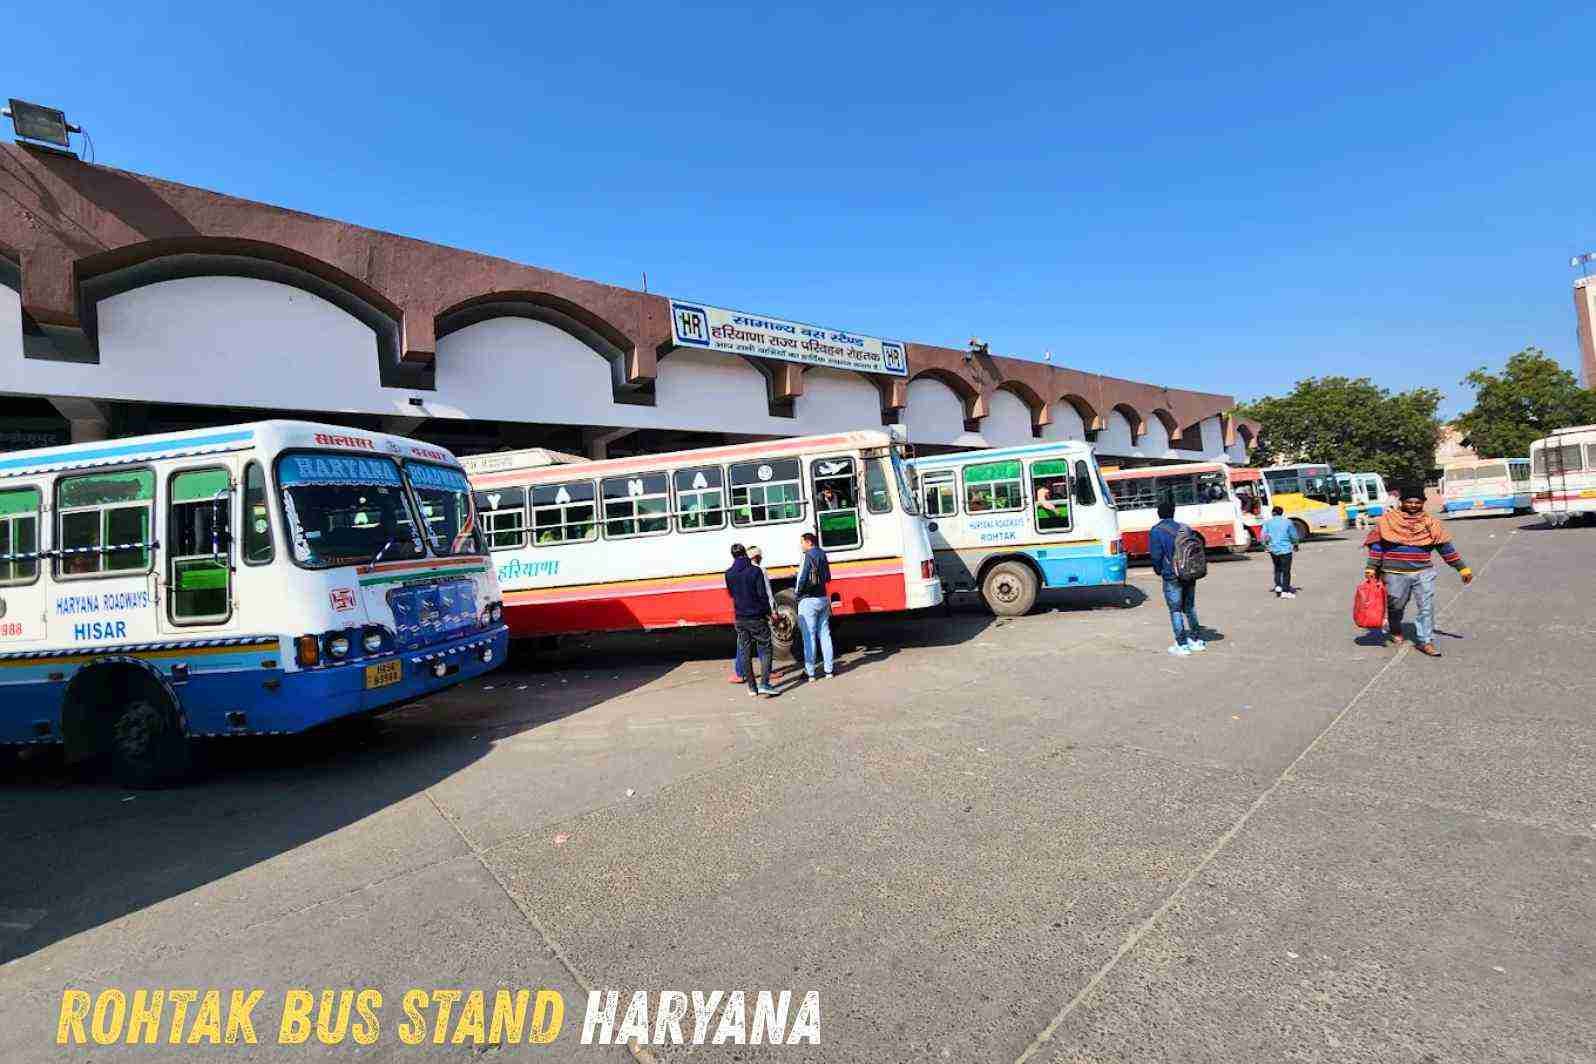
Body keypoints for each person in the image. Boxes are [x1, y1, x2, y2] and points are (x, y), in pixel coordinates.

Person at [1364, 483, 1473, 657]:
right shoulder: (1387, 521)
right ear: (1401, 502)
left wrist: (1462, 568)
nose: (1413, 505)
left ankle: (1426, 641)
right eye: (1409, 502)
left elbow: (1446, 549)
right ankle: (1395, 627)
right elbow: (1377, 547)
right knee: (1395, 604)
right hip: (1394, 573)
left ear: (1423, 502)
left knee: (1426, 607)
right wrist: (1371, 567)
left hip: (1423, 572)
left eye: (1417, 502)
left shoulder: (1431, 524)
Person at [1147, 498, 1205, 656]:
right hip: (1189, 572)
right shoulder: (1184, 528)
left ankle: (1182, 644)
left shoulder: (1156, 531)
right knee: (1190, 607)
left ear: (1159, 514)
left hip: (1171, 574)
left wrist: (1159, 570)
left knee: (1175, 610)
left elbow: (1156, 555)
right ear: (1173, 512)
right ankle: (1196, 640)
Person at [725, 543, 777, 696]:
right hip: (757, 617)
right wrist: (769, 613)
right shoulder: (755, 571)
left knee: (745, 652)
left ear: (733, 556)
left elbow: (731, 594)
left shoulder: (729, 573)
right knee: (766, 648)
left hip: (740, 618)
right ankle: (765, 683)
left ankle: (752, 687)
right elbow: (762, 595)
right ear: (745, 554)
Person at [795, 532, 835, 680]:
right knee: (825, 635)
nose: (801, 545)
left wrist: (797, 593)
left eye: (802, 542)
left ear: (808, 542)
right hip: (823, 598)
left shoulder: (807, 555)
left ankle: (810, 672)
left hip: (808, 600)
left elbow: (803, 577)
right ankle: (829, 670)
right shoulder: (822, 554)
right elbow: (828, 577)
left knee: (809, 637)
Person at [1259, 505, 1302, 597]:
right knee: (1286, 571)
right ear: (1281, 513)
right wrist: (1296, 545)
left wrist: (1266, 546)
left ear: (1273, 513)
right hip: (1285, 549)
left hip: (1273, 549)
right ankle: (1285, 591)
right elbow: (1293, 535)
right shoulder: (1288, 522)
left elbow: (1262, 536)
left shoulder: (1267, 523)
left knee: (1277, 568)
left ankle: (1278, 586)